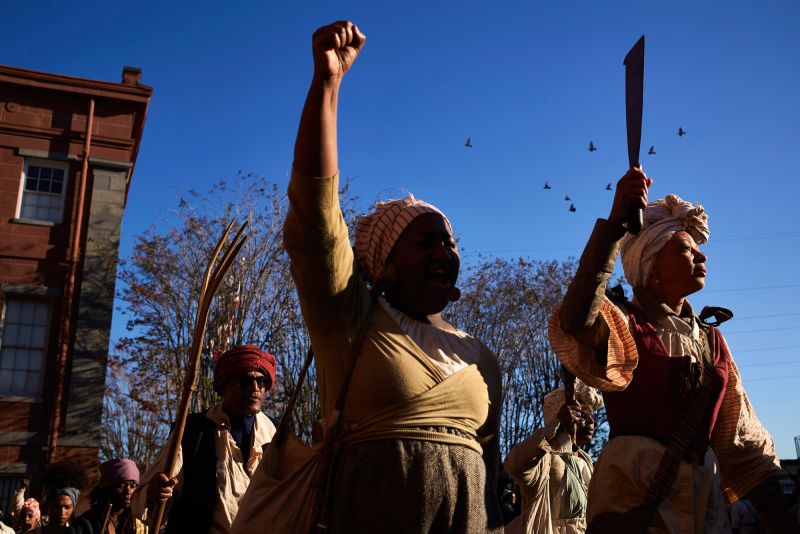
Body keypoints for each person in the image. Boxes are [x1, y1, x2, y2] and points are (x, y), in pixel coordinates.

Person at [239, 19, 502, 533]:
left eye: (449, 242)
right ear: (382, 263)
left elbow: (489, 481)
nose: (445, 251)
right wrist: (328, 87)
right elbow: (317, 220)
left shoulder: (480, 356)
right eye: (424, 242)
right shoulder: (352, 320)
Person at [548, 168, 798, 533]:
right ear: (652, 267)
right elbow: (576, 320)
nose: (702, 258)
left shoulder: (712, 343)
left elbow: (744, 446)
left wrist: (782, 521)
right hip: (632, 499)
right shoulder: (623, 326)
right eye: (686, 249)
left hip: (702, 504)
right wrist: (616, 224)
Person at [133, 344, 277, 534]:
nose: (255, 387)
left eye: (262, 381)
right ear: (224, 385)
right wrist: (154, 494)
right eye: (245, 380)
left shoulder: (277, 435)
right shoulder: (192, 430)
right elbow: (144, 501)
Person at [504, 380, 602, 534]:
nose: (591, 420)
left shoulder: (586, 462)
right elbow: (514, 465)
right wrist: (555, 425)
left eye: (592, 414)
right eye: (584, 413)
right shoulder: (544, 459)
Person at [82, 459, 146, 534]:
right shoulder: (87, 523)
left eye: (133, 486)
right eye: (121, 486)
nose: (128, 492)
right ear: (107, 488)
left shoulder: (138, 522)